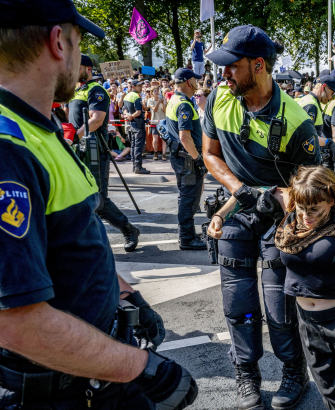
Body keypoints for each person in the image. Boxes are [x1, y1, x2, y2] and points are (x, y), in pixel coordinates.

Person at [0, 1, 198, 408]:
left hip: (93, 371)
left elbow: (75, 243)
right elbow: (16, 321)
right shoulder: (9, 148)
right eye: (78, 41)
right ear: (58, 41)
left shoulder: (39, 127)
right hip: (61, 389)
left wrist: (126, 296)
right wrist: (143, 368)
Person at [208, 165, 335, 409]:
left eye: (315, 210)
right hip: (310, 327)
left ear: (330, 200)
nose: (305, 216)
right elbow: (249, 191)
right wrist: (220, 216)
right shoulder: (296, 200)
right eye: (301, 209)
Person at [203, 24, 321, 410]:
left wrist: (280, 198)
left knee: (279, 306)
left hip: (278, 220)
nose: (223, 75)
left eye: (231, 67)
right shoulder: (219, 98)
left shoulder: (296, 119)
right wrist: (239, 191)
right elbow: (209, 154)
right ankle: (246, 375)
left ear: (258, 66)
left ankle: (293, 372)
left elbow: (311, 188)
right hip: (237, 210)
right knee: (238, 304)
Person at [68, 53, 141, 252]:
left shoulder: (96, 89)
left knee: (98, 198)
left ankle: (128, 229)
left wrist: (73, 135)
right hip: (77, 149)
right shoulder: (75, 90)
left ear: (88, 69)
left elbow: (97, 119)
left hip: (94, 150)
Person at [165, 68, 207, 250]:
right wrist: (199, 160)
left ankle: (187, 234)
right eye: (195, 80)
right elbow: (185, 137)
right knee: (189, 198)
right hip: (188, 159)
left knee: (185, 197)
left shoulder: (174, 100)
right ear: (189, 82)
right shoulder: (184, 105)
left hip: (180, 157)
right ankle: (187, 238)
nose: (197, 83)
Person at [123, 80, 150, 174]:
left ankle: (135, 166)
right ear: (133, 86)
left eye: (141, 85)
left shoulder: (127, 96)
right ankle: (138, 167)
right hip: (138, 124)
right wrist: (132, 116)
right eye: (139, 86)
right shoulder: (136, 97)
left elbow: (124, 110)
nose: (141, 87)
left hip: (131, 124)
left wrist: (128, 116)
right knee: (138, 146)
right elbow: (138, 112)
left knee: (134, 146)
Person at [147, 85, 167, 160]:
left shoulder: (162, 99)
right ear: (152, 93)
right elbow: (154, 110)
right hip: (154, 121)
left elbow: (164, 110)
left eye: (157, 90)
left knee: (164, 139)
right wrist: (159, 102)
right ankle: (155, 153)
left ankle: (164, 154)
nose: (157, 92)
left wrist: (163, 103)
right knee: (155, 140)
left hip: (163, 121)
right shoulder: (150, 100)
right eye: (155, 91)